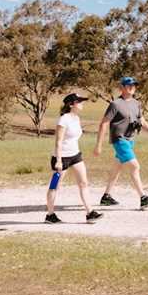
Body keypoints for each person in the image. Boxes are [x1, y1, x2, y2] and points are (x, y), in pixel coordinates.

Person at [94, 76, 148, 209]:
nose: (132, 87)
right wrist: (99, 145)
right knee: (134, 166)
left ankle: (106, 197)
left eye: (134, 85)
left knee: (116, 169)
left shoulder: (136, 103)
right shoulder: (115, 104)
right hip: (119, 140)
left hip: (130, 140)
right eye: (129, 85)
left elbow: (141, 121)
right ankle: (143, 198)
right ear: (122, 87)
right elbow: (104, 124)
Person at [45, 93, 103, 224]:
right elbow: (58, 141)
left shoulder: (76, 118)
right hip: (62, 158)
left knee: (83, 183)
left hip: (75, 155)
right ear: (71, 105)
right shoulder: (63, 119)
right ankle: (50, 215)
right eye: (79, 101)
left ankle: (90, 213)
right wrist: (59, 161)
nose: (82, 103)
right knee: (54, 186)